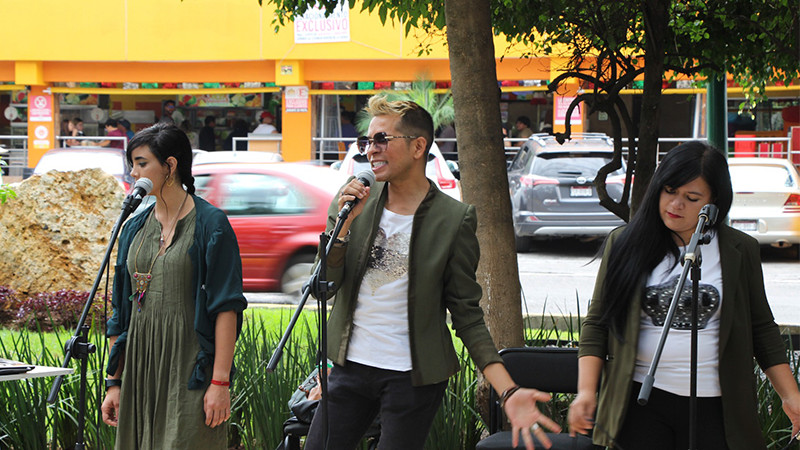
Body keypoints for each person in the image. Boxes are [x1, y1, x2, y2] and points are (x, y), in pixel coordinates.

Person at [304, 96, 560, 450]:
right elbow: (323, 288)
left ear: (418, 146)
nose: (370, 150)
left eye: (382, 140)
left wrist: (508, 390)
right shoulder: (353, 203)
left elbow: (467, 316)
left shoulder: (453, 220)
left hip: (413, 378)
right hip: (350, 367)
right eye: (367, 141)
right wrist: (344, 227)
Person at [567, 141, 800, 450]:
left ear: (714, 201)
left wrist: (790, 396)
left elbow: (762, 328)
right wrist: (586, 392)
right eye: (669, 191)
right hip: (640, 402)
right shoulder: (623, 243)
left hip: (716, 405)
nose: (675, 205)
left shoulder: (739, 250)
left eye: (691, 198)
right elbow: (598, 323)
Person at [101, 122, 247, 449]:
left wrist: (219, 382)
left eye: (142, 163)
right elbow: (120, 312)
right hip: (140, 364)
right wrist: (115, 382)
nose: (133, 172)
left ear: (170, 165)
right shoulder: (134, 226)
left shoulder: (211, 225)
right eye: (132, 164)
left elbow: (227, 308)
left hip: (188, 364)